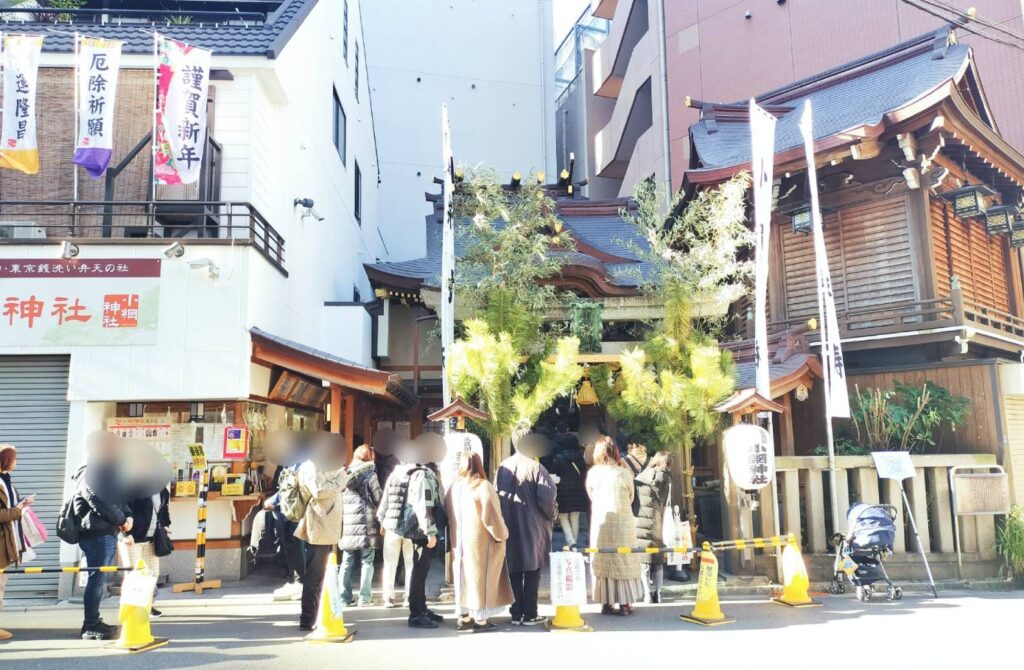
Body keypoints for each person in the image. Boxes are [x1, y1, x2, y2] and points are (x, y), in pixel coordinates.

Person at [378, 435, 446, 629]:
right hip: (419, 529)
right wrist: (430, 531)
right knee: (417, 571)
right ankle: (417, 613)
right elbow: (423, 504)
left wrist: (382, 520)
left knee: (402, 566)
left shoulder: (397, 473)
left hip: (398, 525)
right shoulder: (421, 474)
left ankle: (420, 607)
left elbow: (385, 499)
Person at [445, 451, 513, 633]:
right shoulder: (482, 486)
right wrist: (502, 534)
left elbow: (446, 510)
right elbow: (492, 516)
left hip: (458, 540)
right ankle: (480, 620)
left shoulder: (454, 486)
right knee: (480, 580)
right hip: (480, 541)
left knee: (463, 578)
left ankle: (464, 616)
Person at [495, 432, 558, 626]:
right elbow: (547, 499)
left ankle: (516, 612)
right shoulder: (537, 468)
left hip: (508, 523)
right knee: (532, 568)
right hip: (533, 525)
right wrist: (553, 515)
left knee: (513, 567)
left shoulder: (503, 467)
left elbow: (496, 495)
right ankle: (530, 613)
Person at [74, 453, 132, 640]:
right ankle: (90, 626)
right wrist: (122, 520)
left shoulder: (107, 475)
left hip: (105, 532)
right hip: (96, 534)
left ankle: (93, 622)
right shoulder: (90, 474)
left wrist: (128, 516)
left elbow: (120, 500)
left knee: (98, 580)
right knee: (96, 580)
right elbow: (100, 502)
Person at [293, 438, 348, 632]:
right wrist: (340, 480)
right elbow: (319, 491)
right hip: (318, 525)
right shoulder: (311, 466)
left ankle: (319, 615)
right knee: (315, 574)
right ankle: (307, 619)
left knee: (323, 573)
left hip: (326, 525)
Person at [586, 436, 644, 616]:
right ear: (615, 452)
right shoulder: (623, 473)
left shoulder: (593, 473)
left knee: (603, 559)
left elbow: (591, 495)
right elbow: (631, 496)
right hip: (622, 522)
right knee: (624, 559)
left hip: (601, 522)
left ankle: (606, 602)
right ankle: (625, 604)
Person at [339, 445, 382, 607]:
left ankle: (344, 598)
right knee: (367, 561)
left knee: (346, 561)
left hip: (348, 523)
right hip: (366, 522)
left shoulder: (345, 474)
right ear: (370, 457)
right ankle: (364, 598)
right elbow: (378, 497)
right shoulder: (370, 474)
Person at [0, 444, 33, 641]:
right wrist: (17, 511)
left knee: (1, 583)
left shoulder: (6, 481)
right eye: (14, 458)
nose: (16, 462)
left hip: (7, 540)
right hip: (1, 541)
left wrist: (22, 505)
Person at [122, 485, 171, 617]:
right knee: (134, 574)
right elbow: (123, 509)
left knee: (153, 573)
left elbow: (163, 509)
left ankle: (148, 605)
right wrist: (126, 534)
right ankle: (133, 608)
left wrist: (165, 525)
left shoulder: (162, 490)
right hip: (133, 537)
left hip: (152, 537)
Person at [634, 451, 673, 603]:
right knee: (658, 560)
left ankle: (646, 594)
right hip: (659, 523)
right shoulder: (667, 479)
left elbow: (635, 500)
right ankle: (658, 593)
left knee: (643, 561)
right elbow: (668, 502)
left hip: (641, 522)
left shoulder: (641, 477)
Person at [264, 464, 306, 600]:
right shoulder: (290, 464)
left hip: (295, 509)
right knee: (291, 546)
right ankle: (294, 580)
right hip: (288, 509)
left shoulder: (300, 463)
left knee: (296, 547)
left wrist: (274, 500)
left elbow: (290, 487)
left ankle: (300, 582)